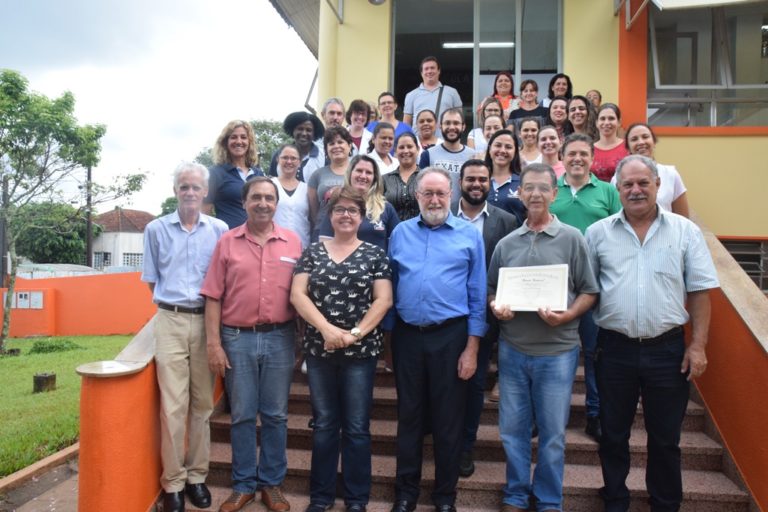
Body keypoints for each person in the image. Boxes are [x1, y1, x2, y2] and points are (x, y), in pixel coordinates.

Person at [585, 155, 719, 512]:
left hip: (668, 351)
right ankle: (615, 497)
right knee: (613, 434)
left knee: (665, 438)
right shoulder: (597, 234)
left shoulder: (684, 231)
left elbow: (701, 291)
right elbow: (585, 290)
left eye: (643, 183)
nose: (635, 190)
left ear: (658, 185)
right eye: (627, 184)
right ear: (617, 189)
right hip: (614, 349)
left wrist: (698, 346)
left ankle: (665, 502)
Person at [487, 163, 599, 512]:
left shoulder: (572, 239)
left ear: (555, 193)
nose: (535, 194)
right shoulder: (506, 244)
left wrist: (568, 315)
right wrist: (497, 307)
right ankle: (516, 494)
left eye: (542, 188)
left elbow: (589, 291)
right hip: (513, 350)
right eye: (529, 188)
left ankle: (549, 499)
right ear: (519, 194)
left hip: (558, 352)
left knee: (552, 435)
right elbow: (492, 291)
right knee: (512, 430)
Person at [387, 167, 486, 512]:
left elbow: (477, 294)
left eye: (441, 193)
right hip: (407, 337)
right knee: (409, 417)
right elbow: (391, 287)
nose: (434, 200)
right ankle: (405, 493)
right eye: (427, 193)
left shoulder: (469, 235)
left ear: (452, 195)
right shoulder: (400, 233)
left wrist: (472, 348)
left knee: (448, 420)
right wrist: (389, 341)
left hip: (451, 337)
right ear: (416, 197)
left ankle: (445, 496)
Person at [201, 177, 303, 512]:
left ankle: (271, 484)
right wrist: (214, 344)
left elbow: (302, 295)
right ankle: (243, 484)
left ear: (277, 203)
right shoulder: (227, 242)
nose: (263, 203)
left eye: (269, 198)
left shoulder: (293, 242)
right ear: (244, 202)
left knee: (275, 415)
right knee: (243, 414)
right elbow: (213, 295)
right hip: (236, 339)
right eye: (256, 197)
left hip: (280, 337)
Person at [291, 187, 393, 512]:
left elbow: (384, 299)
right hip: (320, 353)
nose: (346, 215)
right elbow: (298, 295)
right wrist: (326, 329)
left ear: (361, 217)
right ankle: (320, 499)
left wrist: (354, 334)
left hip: (360, 355)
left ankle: (356, 500)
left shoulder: (375, 255)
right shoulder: (312, 252)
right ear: (329, 216)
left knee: (356, 427)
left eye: (353, 210)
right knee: (323, 425)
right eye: (340, 210)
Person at [142, 162, 228, 512]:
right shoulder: (155, 229)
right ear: (175, 190)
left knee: (202, 405)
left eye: (195, 187)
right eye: (183, 187)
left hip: (206, 323)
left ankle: (197, 477)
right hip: (170, 320)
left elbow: (222, 282)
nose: (190, 192)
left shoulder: (219, 229)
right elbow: (152, 279)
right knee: (172, 406)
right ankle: (173, 482)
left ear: (205, 191)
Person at [549, 134, 621, 442]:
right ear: (561, 158)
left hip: (594, 288)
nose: (577, 158)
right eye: (571, 154)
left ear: (592, 158)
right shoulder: (553, 191)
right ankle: (549, 415)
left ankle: (595, 413)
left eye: (583, 154)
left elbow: (621, 233)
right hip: (555, 287)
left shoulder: (608, 191)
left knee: (593, 354)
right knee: (552, 355)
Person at [451, 159, 518, 478]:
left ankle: (465, 446)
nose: (476, 184)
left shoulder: (506, 221)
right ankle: (441, 439)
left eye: (482, 179)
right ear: (460, 182)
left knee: (475, 384)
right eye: (470, 178)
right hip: (445, 315)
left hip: (486, 316)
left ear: (491, 183)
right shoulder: (443, 212)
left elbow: (513, 267)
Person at [318, 154, 400, 250]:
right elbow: (324, 243)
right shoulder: (336, 204)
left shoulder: (386, 208)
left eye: (368, 172)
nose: (363, 176)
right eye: (359, 171)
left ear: (374, 178)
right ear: (350, 173)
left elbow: (397, 245)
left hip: (378, 264)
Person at [619, 122, 690, 216]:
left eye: (645, 137)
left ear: (654, 142)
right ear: (628, 148)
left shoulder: (670, 174)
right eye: (634, 139)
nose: (641, 142)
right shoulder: (619, 177)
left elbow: (683, 219)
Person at [204, 120, 264, 229]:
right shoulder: (215, 173)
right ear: (225, 142)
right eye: (233, 137)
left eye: (243, 137)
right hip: (229, 239)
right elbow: (203, 214)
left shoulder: (258, 173)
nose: (239, 141)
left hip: (257, 239)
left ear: (249, 142)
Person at [308, 127, 354, 240]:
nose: (336, 146)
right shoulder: (317, 175)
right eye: (331, 143)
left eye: (340, 142)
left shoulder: (358, 173)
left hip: (351, 230)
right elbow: (313, 211)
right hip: (321, 231)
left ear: (350, 145)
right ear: (326, 149)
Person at [418, 108, 475, 196]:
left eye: (456, 123)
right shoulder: (428, 155)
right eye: (447, 123)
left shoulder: (473, 156)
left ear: (463, 127)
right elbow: (421, 188)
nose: (451, 127)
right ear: (440, 126)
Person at [403, 56, 462, 133]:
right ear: (421, 73)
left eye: (432, 68)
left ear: (439, 71)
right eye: (426, 69)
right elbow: (406, 123)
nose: (429, 71)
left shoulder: (452, 92)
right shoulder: (411, 95)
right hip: (419, 142)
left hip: (445, 142)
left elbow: (459, 119)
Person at [483, 129, 526, 225]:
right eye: (498, 145)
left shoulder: (523, 182)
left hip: (515, 239)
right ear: (489, 149)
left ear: (515, 152)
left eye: (508, 147)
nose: (502, 150)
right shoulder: (479, 182)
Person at [268, 112, 326, 183]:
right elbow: (272, 183)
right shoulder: (279, 155)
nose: (304, 133)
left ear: (314, 133)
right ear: (293, 130)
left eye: (308, 130)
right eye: (300, 129)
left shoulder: (323, 156)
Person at [272, 144, 311, 249]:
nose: (289, 162)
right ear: (278, 159)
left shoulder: (307, 189)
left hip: (302, 248)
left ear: (300, 162)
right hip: (274, 247)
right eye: (285, 157)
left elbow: (313, 218)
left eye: (293, 158)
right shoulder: (269, 185)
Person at [383, 132, 422, 221]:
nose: (405, 151)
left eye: (409, 146)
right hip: (392, 233)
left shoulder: (427, 178)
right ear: (395, 151)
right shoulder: (385, 179)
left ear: (418, 149)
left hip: (421, 231)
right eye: (401, 147)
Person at [591, 103, 629, 182]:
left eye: (611, 118)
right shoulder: (589, 149)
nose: (607, 122)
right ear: (596, 123)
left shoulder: (628, 147)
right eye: (602, 119)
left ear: (619, 122)